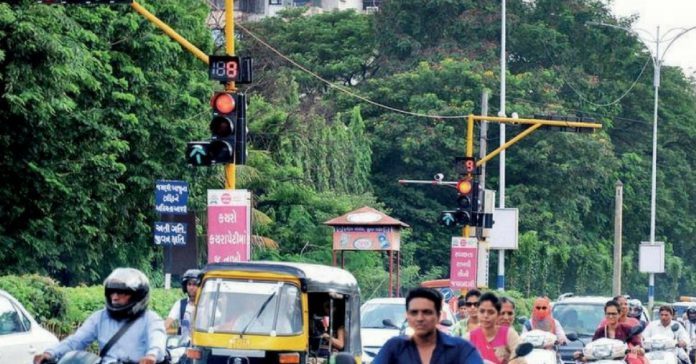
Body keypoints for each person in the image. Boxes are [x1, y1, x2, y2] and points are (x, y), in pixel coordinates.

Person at [33, 268, 167, 364]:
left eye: (122, 292)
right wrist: (50, 353)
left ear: (137, 296)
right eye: (112, 292)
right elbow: (77, 340)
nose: (114, 297)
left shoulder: (151, 319)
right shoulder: (100, 317)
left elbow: (157, 342)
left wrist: (151, 356)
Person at [373, 287, 483, 364]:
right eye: (414, 312)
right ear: (407, 316)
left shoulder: (461, 349)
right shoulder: (394, 347)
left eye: (427, 312)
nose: (420, 318)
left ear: (439, 316)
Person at [574, 300, 645, 362]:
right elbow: (592, 352)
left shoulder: (627, 329)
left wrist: (637, 349)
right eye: (608, 314)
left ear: (619, 314)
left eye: (614, 314)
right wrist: (580, 357)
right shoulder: (600, 332)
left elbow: (641, 349)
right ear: (605, 314)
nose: (611, 316)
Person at [466, 292, 521, 364]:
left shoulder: (511, 335)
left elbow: (520, 359)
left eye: (490, 312)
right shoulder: (470, 337)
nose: (506, 317)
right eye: (482, 311)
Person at [165, 269, 200, 344]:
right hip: (182, 349)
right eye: (189, 284)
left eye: (194, 284)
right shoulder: (180, 304)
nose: (191, 287)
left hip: (201, 348)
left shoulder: (206, 305)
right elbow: (168, 325)